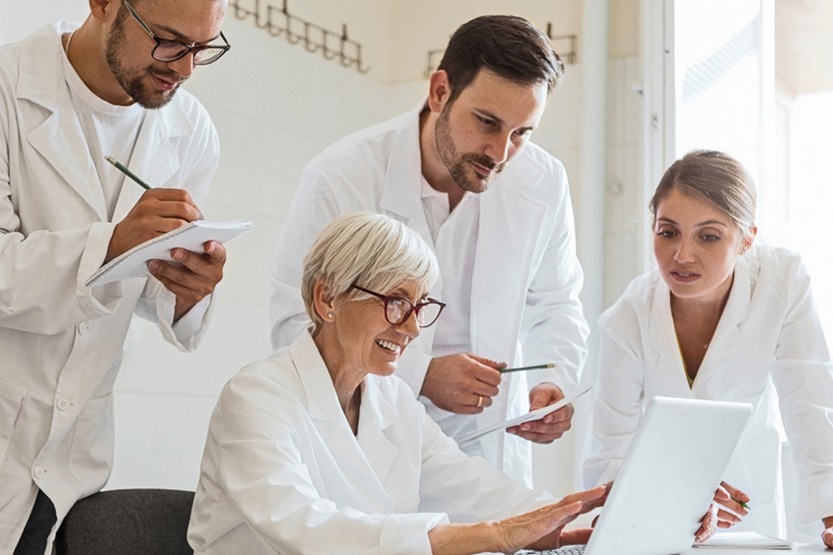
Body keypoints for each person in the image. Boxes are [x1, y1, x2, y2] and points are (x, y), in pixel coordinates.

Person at [269, 14, 588, 486]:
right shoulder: (342, 177)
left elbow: (557, 302)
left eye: (522, 133)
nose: (500, 153)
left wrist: (554, 384)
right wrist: (421, 375)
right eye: (487, 122)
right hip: (366, 450)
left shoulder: (543, 183)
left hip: (487, 451)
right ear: (440, 92)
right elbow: (294, 329)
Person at [189, 211, 607, 554]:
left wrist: (581, 518)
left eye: (420, 306)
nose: (411, 328)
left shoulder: (392, 399)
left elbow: (472, 485)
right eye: (394, 303)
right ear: (327, 299)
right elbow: (306, 528)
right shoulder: (256, 397)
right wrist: (495, 536)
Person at [0, 0, 231, 552]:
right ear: (102, 4)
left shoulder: (191, 129)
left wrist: (189, 289)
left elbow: (146, 285)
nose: (184, 68)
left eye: (203, 48)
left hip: (73, 454)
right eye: (169, 39)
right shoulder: (8, 87)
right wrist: (111, 244)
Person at [582, 150, 833, 547]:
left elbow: (810, 401)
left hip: (753, 509)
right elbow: (610, 455)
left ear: (747, 238)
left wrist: (830, 512)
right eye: (668, 232)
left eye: (709, 236)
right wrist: (667, 497)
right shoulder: (627, 318)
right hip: (657, 517)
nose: (682, 255)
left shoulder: (782, 280)